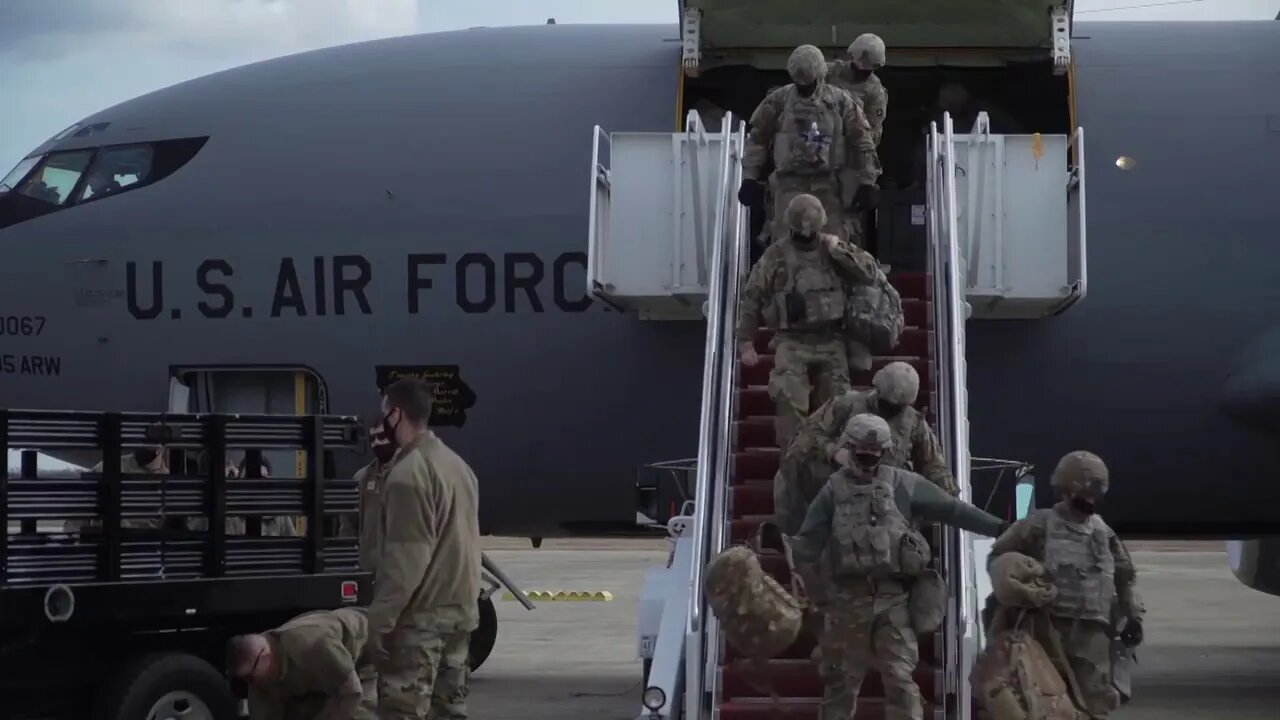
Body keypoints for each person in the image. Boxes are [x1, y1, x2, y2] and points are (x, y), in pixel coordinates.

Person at [789, 413, 1008, 720]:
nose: (867, 460)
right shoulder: (833, 491)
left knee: (901, 684)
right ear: (848, 448)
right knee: (840, 690)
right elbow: (808, 543)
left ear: (884, 451)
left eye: (874, 453)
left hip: (893, 604)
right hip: (847, 605)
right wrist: (810, 586)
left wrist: (1000, 528)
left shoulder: (904, 484)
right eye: (860, 452)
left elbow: (953, 510)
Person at [987, 451, 1144, 718]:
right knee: (1044, 700)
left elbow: (1125, 575)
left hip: (1093, 636)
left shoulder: (1102, 532)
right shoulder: (1039, 524)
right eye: (1086, 492)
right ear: (1067, 489)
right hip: (1048, 631)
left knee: (1094, 703)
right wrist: (1020, 588)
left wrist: (1133, 616)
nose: (1092, 499)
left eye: (1097, 492)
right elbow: (1000, 557)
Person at [366, 378, 482, 719]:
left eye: (385, 412)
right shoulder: (459, 468)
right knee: (450, 712)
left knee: (402, 711)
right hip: (460, 618)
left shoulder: (407, 474)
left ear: (397, 415)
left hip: (420, 624)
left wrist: (377, 624)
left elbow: (406, 561)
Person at [737, 193, 882, 449]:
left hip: (831, 338)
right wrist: (746, 341)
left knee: (838, 408)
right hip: (791, 341)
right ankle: (795, 464)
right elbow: (753, 296)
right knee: (791, 406)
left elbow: (870, 273)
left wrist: (840, 252)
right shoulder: (776, 255)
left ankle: (834, 466)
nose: (808, 236)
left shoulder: (833, 248)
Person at [773, 360, 957, 536]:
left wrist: (948, 497)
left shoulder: (914, 424)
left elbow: (934, 466)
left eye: (898, 407)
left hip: (883, 499)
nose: (891, 410)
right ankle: (799, 538)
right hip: (839, 483)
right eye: (887, 404)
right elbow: (808, 433)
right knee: (791, 471)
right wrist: (833, 451)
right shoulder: (847, 404)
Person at [738, 44, 881, 245]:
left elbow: (863, 141)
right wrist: (749, 178)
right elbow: (757, 139)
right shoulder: (779, 100)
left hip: (829, 187)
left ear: (820, 76)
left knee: (833, 247)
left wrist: (868, 182)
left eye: (808, 83)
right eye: (799, 83)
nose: (804, 88)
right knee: (785, 246)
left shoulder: (841, 102)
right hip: (788, 184)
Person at [226, 607, 374, 720]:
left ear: (266, 656)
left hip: (370, 654)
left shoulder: (309, 644)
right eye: (245, 679)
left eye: (251, 677)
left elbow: (352, 693)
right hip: (324, 680)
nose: (251, 683)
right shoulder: (258, 679)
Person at [828, 33, 889, 249]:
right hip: (817, 156)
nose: (864, 72)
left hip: (850, 163)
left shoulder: (874, 90)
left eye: (870, 69)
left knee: (847, 222)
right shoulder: (829, 73)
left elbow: (874, 133)